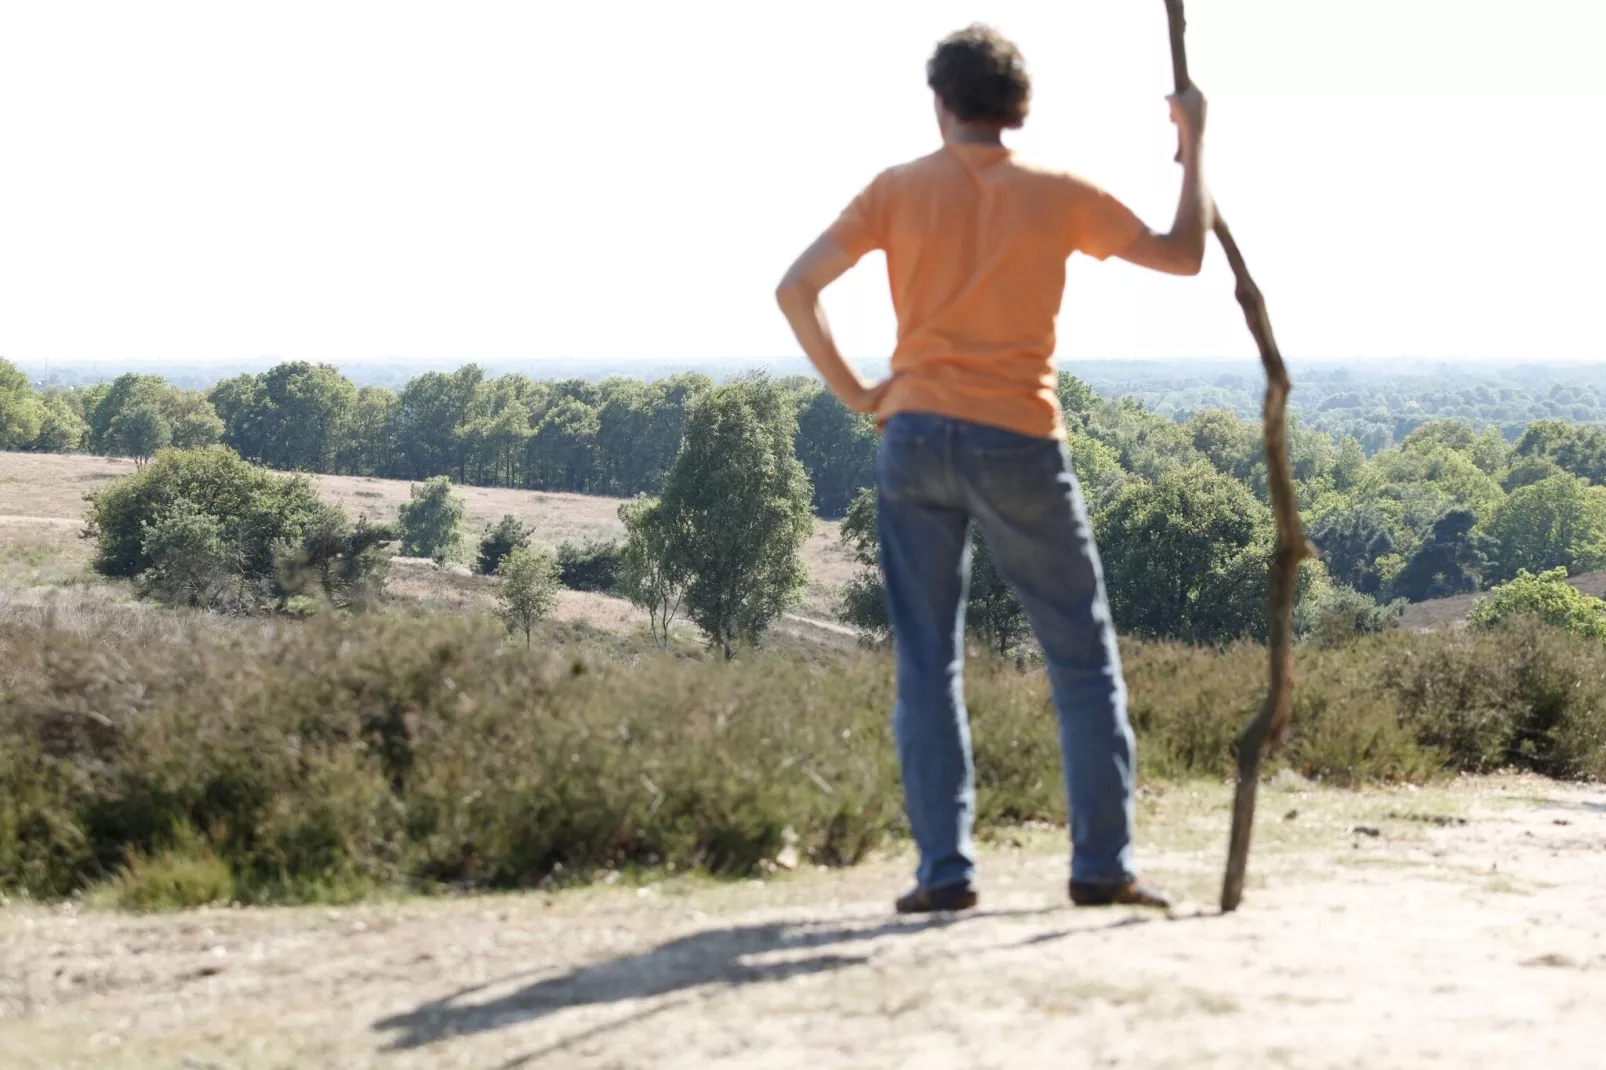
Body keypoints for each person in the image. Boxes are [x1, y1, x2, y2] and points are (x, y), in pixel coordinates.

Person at [775, 24, 1210, 913]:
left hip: (916, 437)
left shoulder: (895, 190)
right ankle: (1100, 866)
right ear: (1020, 107)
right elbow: (1184, 254)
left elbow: (795, 287)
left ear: (940, 101)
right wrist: (1193, 145)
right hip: (1018, 440)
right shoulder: (1058, 194)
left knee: (927, 664)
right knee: (1081, 661)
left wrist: (861, 393)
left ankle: (944, 874)